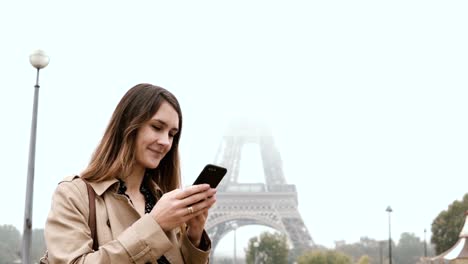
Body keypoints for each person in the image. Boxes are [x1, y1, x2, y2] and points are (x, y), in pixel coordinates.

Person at [44, 83, 217, 263]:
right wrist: (154, 225)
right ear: (128, 125)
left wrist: (194, 238)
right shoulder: (74, 194)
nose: (166, 142)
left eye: (172, 134)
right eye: (157, 127)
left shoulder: (164, 201)